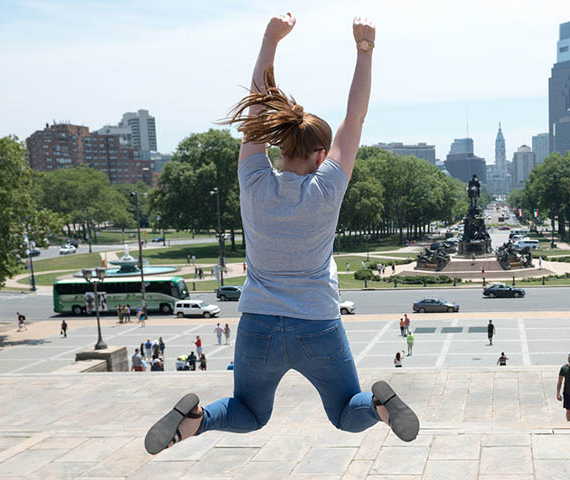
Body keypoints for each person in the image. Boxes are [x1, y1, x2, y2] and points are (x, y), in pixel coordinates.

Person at [144, 14, 417, 457]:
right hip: (317, 325)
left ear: (278, 144)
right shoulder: (328, 188)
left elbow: (257, 104)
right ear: (321, 155)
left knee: (249, 412)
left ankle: (197, 421)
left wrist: (270, 39)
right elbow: (356, 115)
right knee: (348, 411)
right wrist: (364, 51)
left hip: (259, 325)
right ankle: (381, 409)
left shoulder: (254, 183)